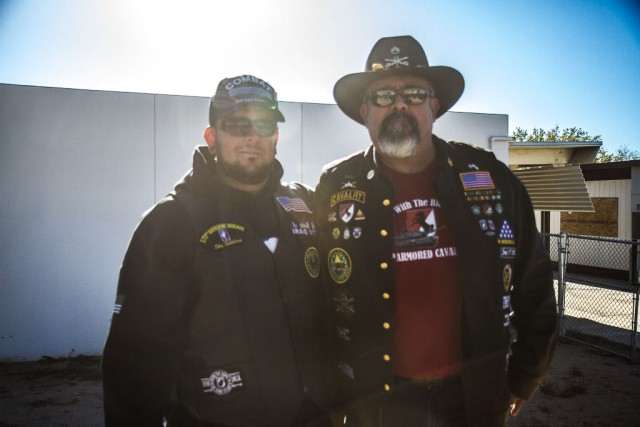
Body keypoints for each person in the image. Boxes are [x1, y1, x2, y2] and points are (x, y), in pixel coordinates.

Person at [315, 36, 557, 426]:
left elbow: (535, 284)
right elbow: (319, 298)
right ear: (364, 112)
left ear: (434, 105)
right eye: (381, 96)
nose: (398, 104)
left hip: (471, 398)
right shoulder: (335, 185)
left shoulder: (490, 178)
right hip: (378, 401)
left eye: (412, 92)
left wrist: (525, 377)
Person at [102, 75, 334, 427]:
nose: (252, 136)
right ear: (212, 137)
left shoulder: (302, 204)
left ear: (276, 137)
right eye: (238, 125)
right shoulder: (173, 221)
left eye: (264, 124)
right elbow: (136, 361)